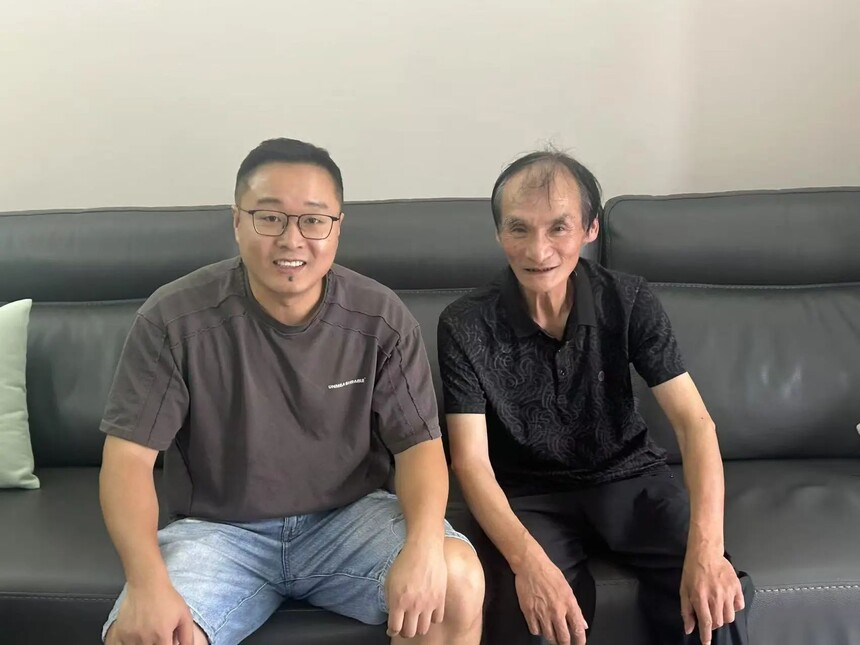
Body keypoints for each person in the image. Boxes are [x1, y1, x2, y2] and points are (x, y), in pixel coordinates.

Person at [99, 137, 484, 645]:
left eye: (313, 220)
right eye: (269, 217)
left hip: (348, 520)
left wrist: (425, 546)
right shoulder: (173, 319)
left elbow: (419, 448)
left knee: (455, 579)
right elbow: (127, 461)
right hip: (220, 532)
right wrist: (147, 582)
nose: (292, 239)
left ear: (337, 227)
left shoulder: (380, 318)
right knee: (144, 635)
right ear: (236, 222)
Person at [438, 150, 753, 645]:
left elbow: (695, 424)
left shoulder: (629, 299)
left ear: (590, 229)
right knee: (538, 624)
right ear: (499, 233)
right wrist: (528, 564)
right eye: (519, 229)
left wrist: (708, 551)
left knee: (717, 608)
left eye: (558, 228)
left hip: (629, 477)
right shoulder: (464, 324)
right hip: (528, 495)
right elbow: (471, 461)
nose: (538, 250)